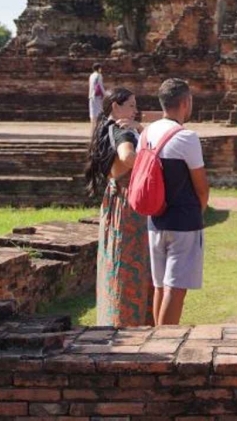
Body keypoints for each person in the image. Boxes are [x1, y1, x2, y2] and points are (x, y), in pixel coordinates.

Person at [142, 78, 209, 325]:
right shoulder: (186, 137)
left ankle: (156, 340)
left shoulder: (147, 132)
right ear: (185, 103)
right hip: (183, 221)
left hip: (155, 218)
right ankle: (164, 343)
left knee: (160, 287)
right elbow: (201, 187)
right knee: (176, 289)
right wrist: (198, 211)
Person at [85, 88, 152, 326]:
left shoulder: (105, 128)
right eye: (131, 105)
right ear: (116, 106)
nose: (135, 110)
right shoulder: (122, 131)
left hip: (114, 201)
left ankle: (114, 319)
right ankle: (128, 322)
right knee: (130, 264)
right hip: (128, 204)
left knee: (115, 262)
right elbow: (127, 158)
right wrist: (152, 158)